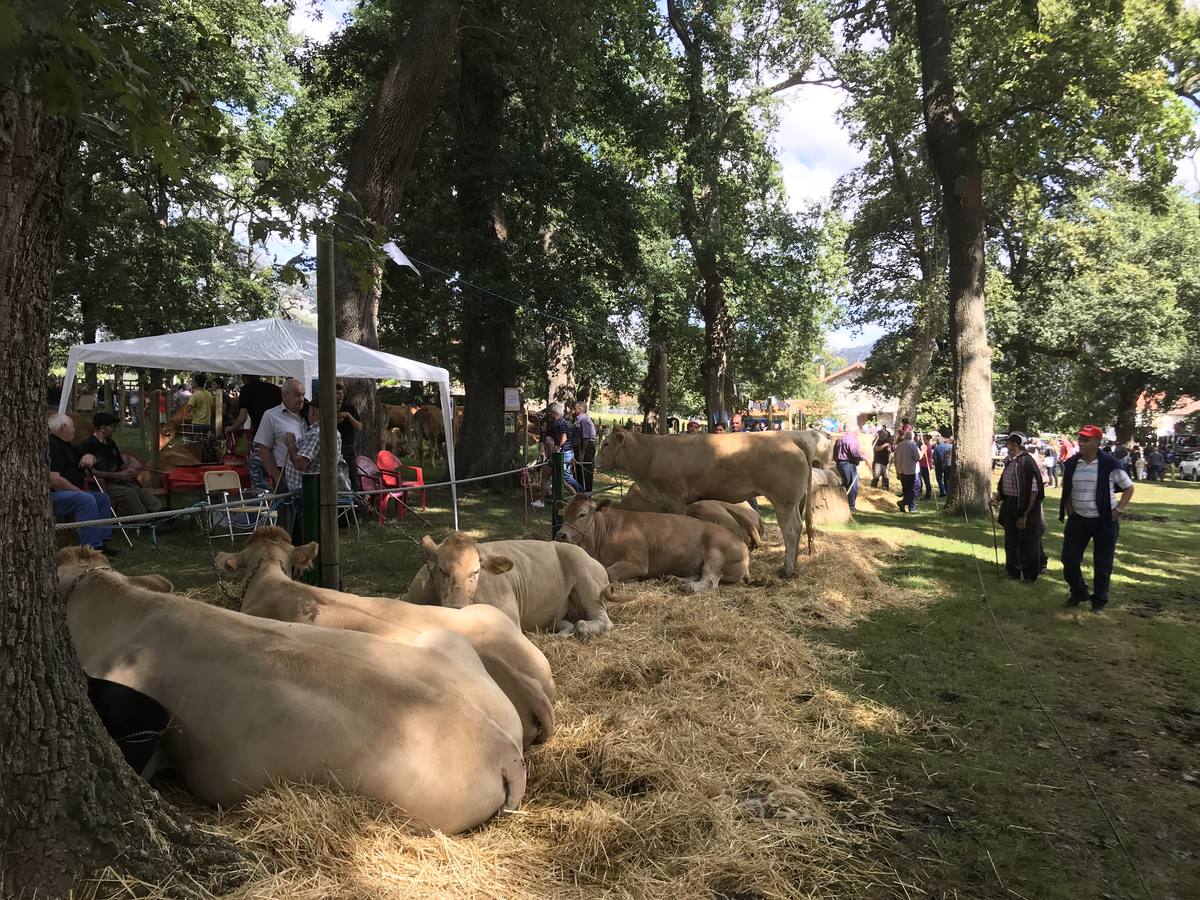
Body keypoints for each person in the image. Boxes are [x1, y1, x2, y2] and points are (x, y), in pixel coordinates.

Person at [1059, 424, 1135, 614]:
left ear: (1097, 442)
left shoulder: (1109, 464)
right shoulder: (1072, 463)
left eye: (1087, 440)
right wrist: (1070, 511)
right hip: (1078, 520)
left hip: (1104, 521)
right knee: (1069, 560)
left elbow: (1128, 488)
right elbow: (1066, 489)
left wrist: (1118, 509)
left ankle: (1099, 601)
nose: (1082, 443)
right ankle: (1079, 592)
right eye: (1080, 439)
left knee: (1102, 564)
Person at [48, 413, 117, 556]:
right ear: (64, 427)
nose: (74, 430)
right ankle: (91, 548)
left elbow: (87, 456)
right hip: (53, 495)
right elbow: (54, 480)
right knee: (86, 499)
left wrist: (89, 456)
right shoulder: (52, 445)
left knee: (102, 498)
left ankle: (102, 542)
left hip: (69, 493)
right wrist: (78, 491)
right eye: (72, 427)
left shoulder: (67, 445)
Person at [79, 412, 163, 519]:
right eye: (112, 427)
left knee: (140, 491)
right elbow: (90, 473)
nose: (114, 429)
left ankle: (162, 513)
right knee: (129, 493)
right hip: (101, 483)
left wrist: (129, 470)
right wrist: (117, 475)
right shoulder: (87, 445)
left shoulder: (110, 443)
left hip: (118, 480)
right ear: (102, 428)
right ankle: (145, 520)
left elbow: (120, 463)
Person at [282, 395, 343, 542]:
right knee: (309, 535)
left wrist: (290, 444)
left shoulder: (317, 434)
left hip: (306, 493)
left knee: (307, 536)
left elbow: (300, 463)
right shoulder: (331, 431)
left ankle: (307, 563)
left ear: (314, 411)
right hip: (313, 491)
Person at [990, 432, 1045, 583]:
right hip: (1010, 505)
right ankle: (1013, 571)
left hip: (1025, 506)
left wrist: (1024, 514)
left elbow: (1034, 491)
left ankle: (1029, 575)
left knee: (1027, 542)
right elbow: (1007, 484)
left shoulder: (1027, 462)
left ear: (1014, 445)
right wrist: (999, 497)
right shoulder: (1010, 461)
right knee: (1011, 541)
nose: (1006, 446)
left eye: (1007, 443)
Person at [254, 377, 307, 493]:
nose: (301, 399)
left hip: (308, 471)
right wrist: (278, 478)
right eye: (297, 395)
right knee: (287, 510)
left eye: (303, 395)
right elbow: (264, 449)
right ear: (284, 395)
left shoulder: (308, 415)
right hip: (283, 471)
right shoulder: (271, 415)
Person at [231, 374, 283, 489]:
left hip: (261, 436)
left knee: (258, 470)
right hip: (279, 433)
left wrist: (230, 428)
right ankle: (279, 497)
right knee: (277, 469)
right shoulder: (273, 388)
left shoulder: (246, 390)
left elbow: (242, 417)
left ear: (244, 379)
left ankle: (260, 502)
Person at [335, 381, 363, 492]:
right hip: (333, 449)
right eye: (337, 394)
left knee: (353, 478)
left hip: (348, 448)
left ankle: (356, 505)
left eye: (342, 394)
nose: (340, 397)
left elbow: (359, 427)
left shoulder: (349, 408)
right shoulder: (326, 408)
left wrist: (347, 415)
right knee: (338, 480)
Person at [833, 429, 865, 512]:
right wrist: (864, 457)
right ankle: (851, 506)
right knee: (853, 485)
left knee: (845, 484)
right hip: (848, 464)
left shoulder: (839, 439)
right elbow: (854, 453)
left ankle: (842, 503)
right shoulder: (852, 440)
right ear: (855, 432)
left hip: (839, 463)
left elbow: (834, 452)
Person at [893, 430, 921, 513]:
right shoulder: (912, 445)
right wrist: (923, 450)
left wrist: (897, 471)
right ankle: (908, 505)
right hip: (912, 470)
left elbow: (896, 459)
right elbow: (917, 457)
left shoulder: (899, 446)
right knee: (914, 489)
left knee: (906, 489)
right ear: (912, 437)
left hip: (902, 470)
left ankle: (908, 505)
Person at [574, 402, 597, 492]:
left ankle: (587, 493)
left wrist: (582, 453)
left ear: (580, 409)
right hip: (582, 446)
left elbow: (586, 437)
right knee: (578, 470)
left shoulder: (584, 420)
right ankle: (580, 492)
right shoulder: (580, 419)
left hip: (587, 447)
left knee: (586, 471)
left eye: (575, 408)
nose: (574, 410)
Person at [187, 374, 214, 438]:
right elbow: (212, 408)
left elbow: (188, 410)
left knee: (196, 445)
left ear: (196, 383)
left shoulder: (195, 395)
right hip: (207, 423)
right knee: (205, 443)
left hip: (197, 423)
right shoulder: (209, 394)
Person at [919, 434, 934, 501]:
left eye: (924, 439)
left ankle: (928, 496)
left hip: (925, 465)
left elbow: (922, 456)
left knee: (926, 481)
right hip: (923, 465)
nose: (923, 440)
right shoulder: (926, 446)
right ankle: (926, 495)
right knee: (924, 480)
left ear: (928, 440)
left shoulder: (927, 447)